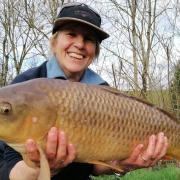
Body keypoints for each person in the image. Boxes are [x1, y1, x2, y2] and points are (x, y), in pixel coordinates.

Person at [0, 2, 168, 180]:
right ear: (54, 41)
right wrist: (39, 168)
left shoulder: (104, 92)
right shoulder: (25, 85)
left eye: (88, 39)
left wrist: (122, 164)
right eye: (71, 34)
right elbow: (7, 168)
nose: (79, 44)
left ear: (95, 50)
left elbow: (95, 166)